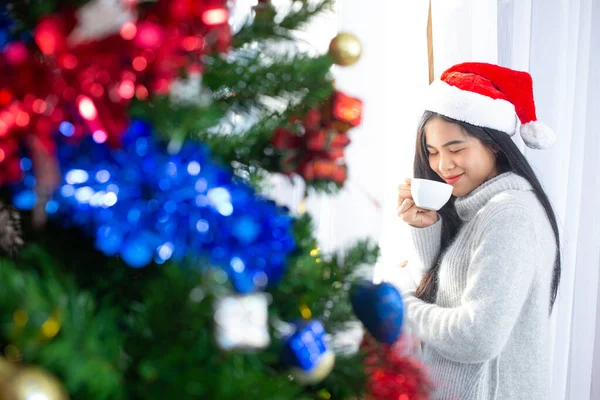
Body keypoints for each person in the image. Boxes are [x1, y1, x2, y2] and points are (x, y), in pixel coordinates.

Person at [396, 62, 561, 400]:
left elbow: (476, 338)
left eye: (456, 149)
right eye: (433, 152)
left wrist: (399, 307)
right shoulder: (478, 210)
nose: (443, 165)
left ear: (495, 144)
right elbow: (439, 293)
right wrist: (424, 227)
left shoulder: (510, 214)